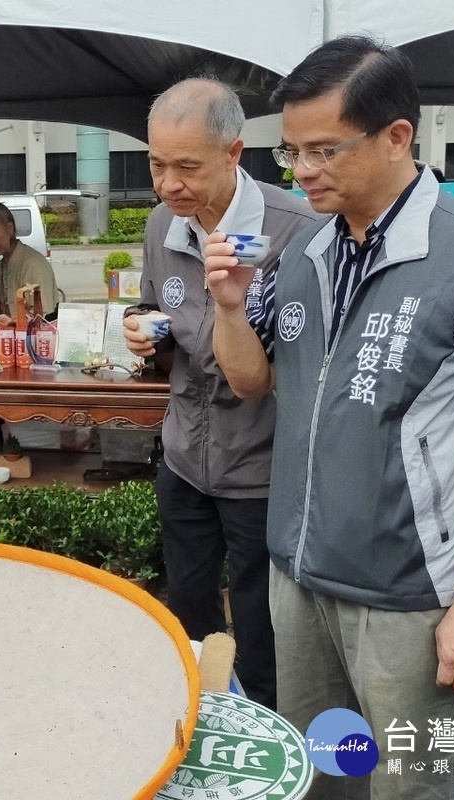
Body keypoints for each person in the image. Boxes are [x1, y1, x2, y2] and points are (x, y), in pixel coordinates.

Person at [205, 37, 454, 800]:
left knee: (413, 784)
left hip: (406, 596)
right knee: (328, 772)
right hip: (298, 578)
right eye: (291, 151)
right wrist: (229, 306)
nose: (302, 171)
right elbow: (251, 379)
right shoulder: (305, 253)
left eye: (325, 150)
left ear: (398, 136)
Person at [121, 78, 320, 710]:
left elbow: (295, 363)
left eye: (187, 167)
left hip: (263, 470)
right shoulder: (163, 225)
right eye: (157, 165)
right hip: (184, 458)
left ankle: (267, 741)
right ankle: (198, 722)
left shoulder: (300, 232)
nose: (168, 184)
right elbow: (162, 308)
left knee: (262, 630)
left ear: (235, 153)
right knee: (187, 610)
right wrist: (144, 329)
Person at [0, 192, 58, 318]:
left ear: (10, 228)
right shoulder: (0, 267)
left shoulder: (33, 264)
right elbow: (3, 312)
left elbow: (43, 318)